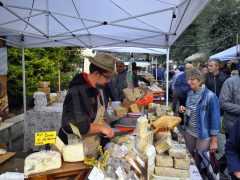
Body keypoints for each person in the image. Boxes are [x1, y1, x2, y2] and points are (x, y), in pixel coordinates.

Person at [58, 52, 117, 158]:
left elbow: (99, 114)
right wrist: (102, 129)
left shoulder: (98, 88)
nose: (108, 81)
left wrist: (105, 125)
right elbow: (77, 125)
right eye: (107, 77)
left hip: (92, 148)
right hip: (75, 152)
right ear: (96, 73)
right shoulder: (78, 91)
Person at [179, 68, 220, 158]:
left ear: (200, 80)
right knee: (188, 158)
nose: (189, 82)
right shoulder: (190, 94)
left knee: (199, 160)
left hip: (203, 135)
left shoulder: (210, 96)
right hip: (189, 131)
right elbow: (191, 111)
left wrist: (214, 141)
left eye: (192, 79)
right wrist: (183, 109)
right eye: (188, 79)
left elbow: (215, 120)